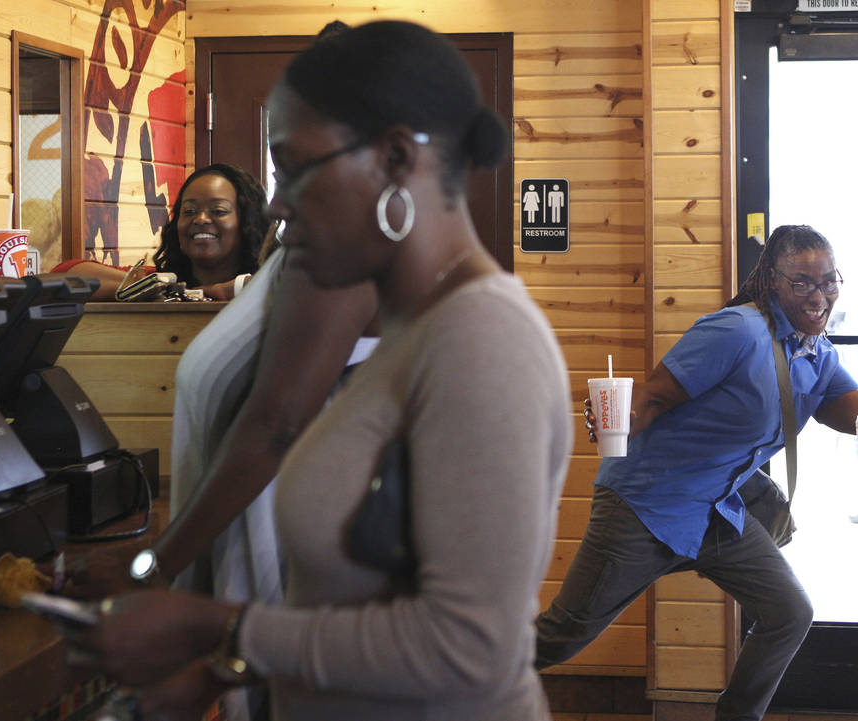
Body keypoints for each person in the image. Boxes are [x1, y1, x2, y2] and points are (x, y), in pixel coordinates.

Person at [65, 20, 571, 721]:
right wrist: (216, 673)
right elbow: (350, 597)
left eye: (296, 168)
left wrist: (212, 625)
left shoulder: (483, 341)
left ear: (395, 158)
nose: (274, 204)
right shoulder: (408, 331)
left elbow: (467, 649)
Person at [535, 225, 858, 721]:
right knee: (562, 635)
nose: (819, 296)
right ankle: (446, 686)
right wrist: (618, 415)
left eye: (829, 281)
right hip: (646, 506)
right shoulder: (736, 331)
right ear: (771, 281)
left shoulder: (817, 355)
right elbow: (653, 396)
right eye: (802, 283)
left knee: (789, 613)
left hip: (717, 512)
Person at [54, 163, 266, 300]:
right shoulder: (162, 278)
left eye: (218, 211)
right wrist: (174, 291)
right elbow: (65, 274)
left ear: (248, 221)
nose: (200, 219)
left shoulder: (266, 283)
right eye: (189, 210)